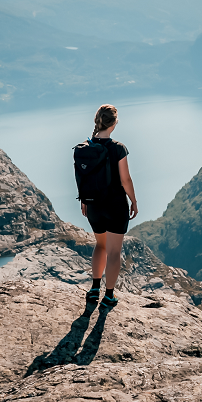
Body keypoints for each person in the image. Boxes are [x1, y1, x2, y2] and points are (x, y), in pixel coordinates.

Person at [81, 104, 139, 311]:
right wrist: (133, 200)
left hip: (94, 206)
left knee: (100, 245)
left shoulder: (85, 147)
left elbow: (84, 178)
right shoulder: (118, 148)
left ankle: (94, 288)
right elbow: (126, 179)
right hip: (115, 206)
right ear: (114, 123)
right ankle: (109, 296)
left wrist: (84, 201)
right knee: (114, 251)